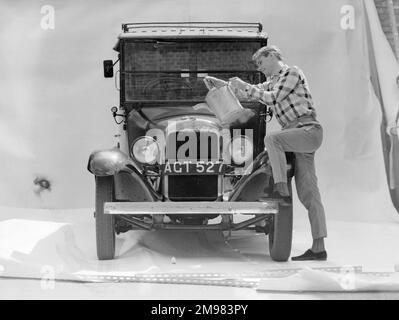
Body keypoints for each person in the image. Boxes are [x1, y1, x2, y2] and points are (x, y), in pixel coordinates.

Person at [208, 45, 328, 261]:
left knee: (271, 139)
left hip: (307, 130)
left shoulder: (292, 72)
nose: (260, 68)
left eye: (261, 63)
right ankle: (319, 247)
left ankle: (280, 188)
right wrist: (227, 85)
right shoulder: (272, 81)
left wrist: (247, 86)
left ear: (272, 55)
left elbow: (273, 97)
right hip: (294, 137)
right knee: (309, 193)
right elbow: (251, 90)